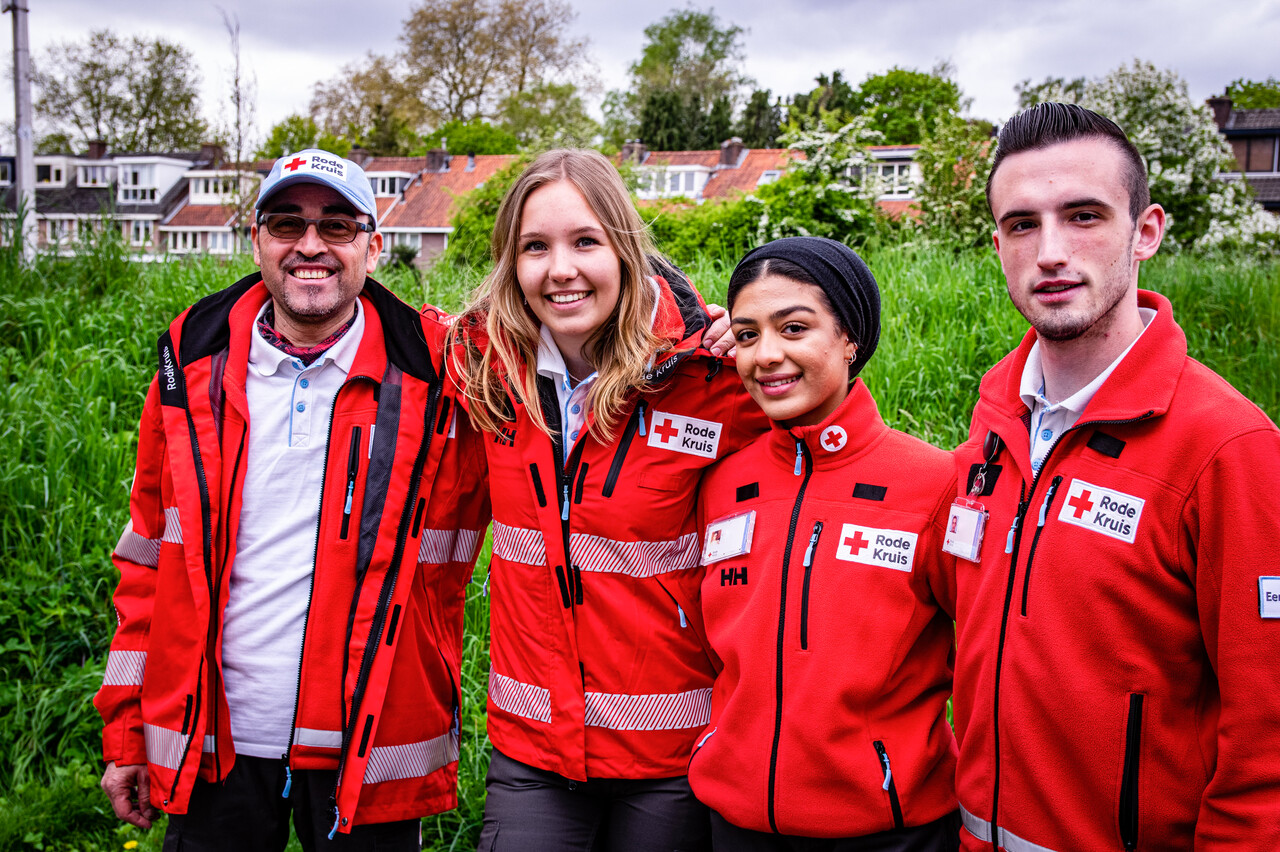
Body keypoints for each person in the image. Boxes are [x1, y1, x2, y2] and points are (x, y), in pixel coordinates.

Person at [93, 149, 490, 850]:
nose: (310, 245)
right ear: (257, 239)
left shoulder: (438, 370)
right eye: (287, 223)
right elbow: (149, 562)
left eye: (336, 226)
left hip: (370, 745)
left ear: (373, 243)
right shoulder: (189, 367)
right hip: (212, 739)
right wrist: (127, 728)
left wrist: (703, 324)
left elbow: (575, 316)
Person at [949, 102, 1280, 851]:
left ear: (1147, 233)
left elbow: (1269, 742)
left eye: (1085, 216)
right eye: (1024, 224)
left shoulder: (1229, 448)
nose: (1051, 252)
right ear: (998, 242)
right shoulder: (993, 423)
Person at [448, 148, 766, 851]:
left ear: (623, 250)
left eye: (585, 241)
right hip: (531, 752)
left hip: (671, 756)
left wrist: (746, 333)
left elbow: (825, 430)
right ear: (511, 262)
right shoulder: (478, 370)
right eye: (536, 247)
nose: (560, 269)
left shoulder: (709, 377)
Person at [692, 236, 960, 850]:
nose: (768, 355)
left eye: (794, 328)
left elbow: (981, 669)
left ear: (849, 337)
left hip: (890, 830)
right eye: (748, 334)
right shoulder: (723, 481)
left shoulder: (934, 484)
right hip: (734, 825)